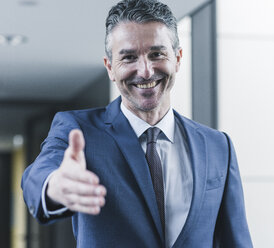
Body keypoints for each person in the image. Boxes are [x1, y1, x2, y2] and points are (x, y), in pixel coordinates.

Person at [21, 0, 253, 247]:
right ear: (110, 67)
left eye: (157, 54)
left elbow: (236, 240)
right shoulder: (78, 129)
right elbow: (37, 177)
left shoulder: (218, 146)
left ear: (178, 57)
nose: (145, 71)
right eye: (129, 57)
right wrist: (54, 185)